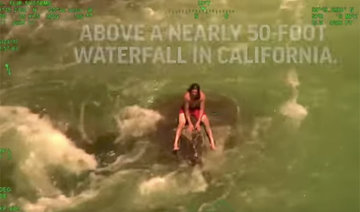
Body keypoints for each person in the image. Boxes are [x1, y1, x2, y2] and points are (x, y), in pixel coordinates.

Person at [173, 83, 216, 152]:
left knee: (206, 122)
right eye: (192, 92)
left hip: (197, 109)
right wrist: (190, 123)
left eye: (195, 92)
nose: (194, 94)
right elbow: (186, 110)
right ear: (190, 91)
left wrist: (198, 122)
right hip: (187, 109)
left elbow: (202, 109)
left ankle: (212, 143)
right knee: (181, 123)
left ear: (198, 92)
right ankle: (175, 144)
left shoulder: (202, 96)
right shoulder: (187, 97)